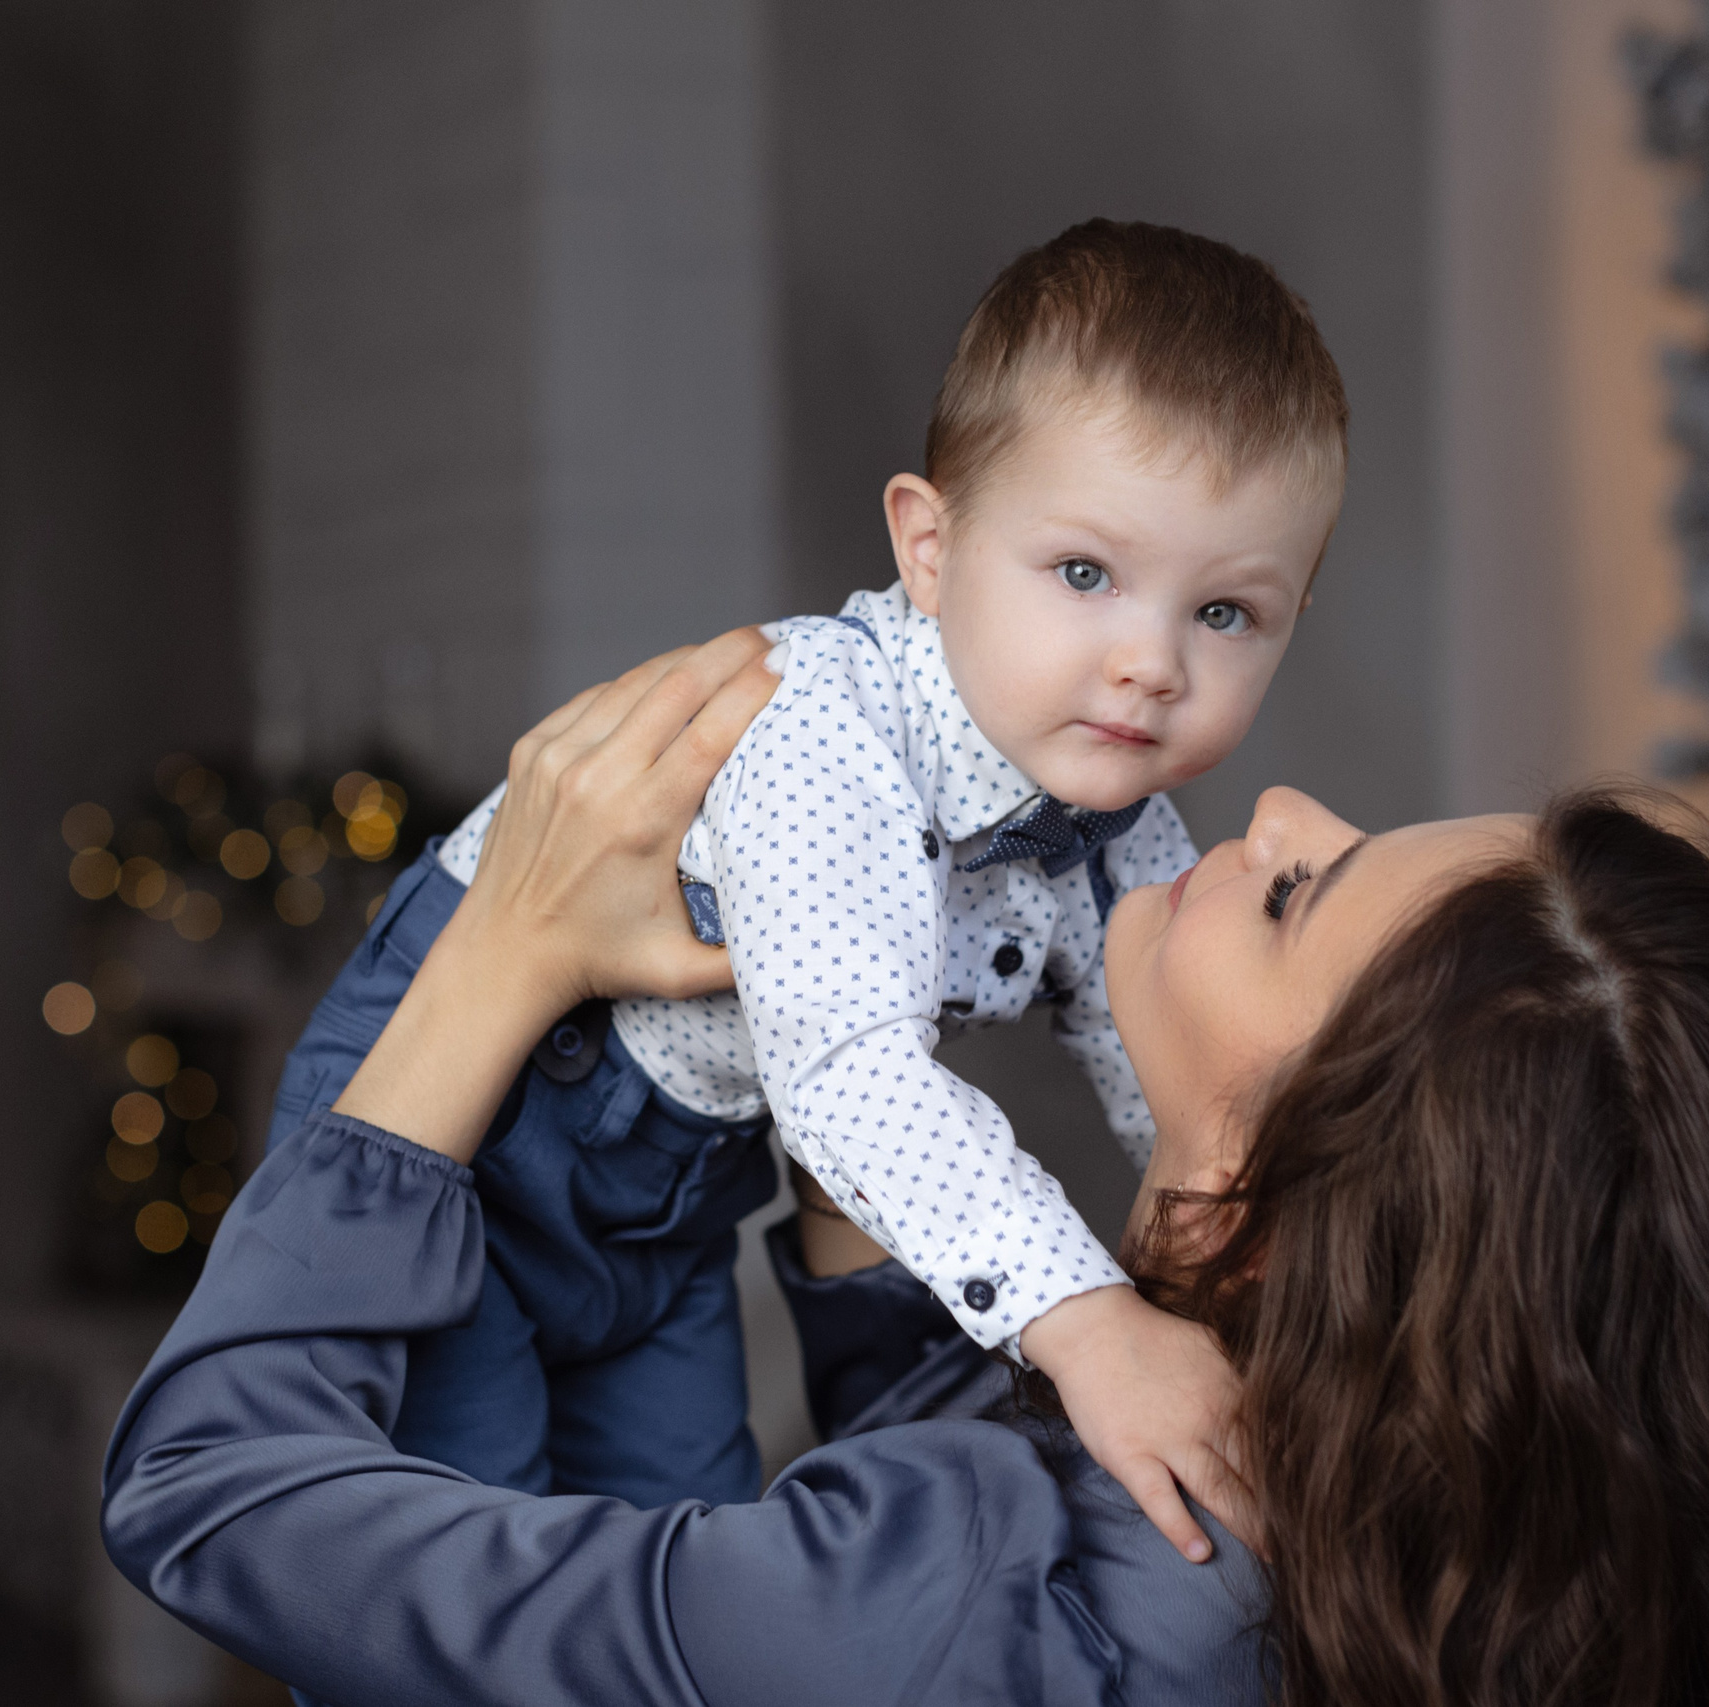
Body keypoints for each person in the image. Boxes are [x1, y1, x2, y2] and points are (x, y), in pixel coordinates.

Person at [105, 630, 1709, 1707]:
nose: (1275, 810)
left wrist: (494, 956)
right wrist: (857, 1059)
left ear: (1265, 1206)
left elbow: (212, 1499)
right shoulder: (1359, 1536)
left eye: (1298, 894)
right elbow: (956, 1479)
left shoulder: (961, 1610)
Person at [264, 219, 1348, 1551]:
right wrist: (1089, 1321)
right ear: (929, 549)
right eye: (1085, 574)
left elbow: (1175, 1071)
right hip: (461, 1119)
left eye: (1224, 613)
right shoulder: (822, 729)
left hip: (666, 1201)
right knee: (465, 1563)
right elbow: (848, 1072)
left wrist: (1282, 1280)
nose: (1152, 663)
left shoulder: (1123, 824)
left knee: (683, 1544)